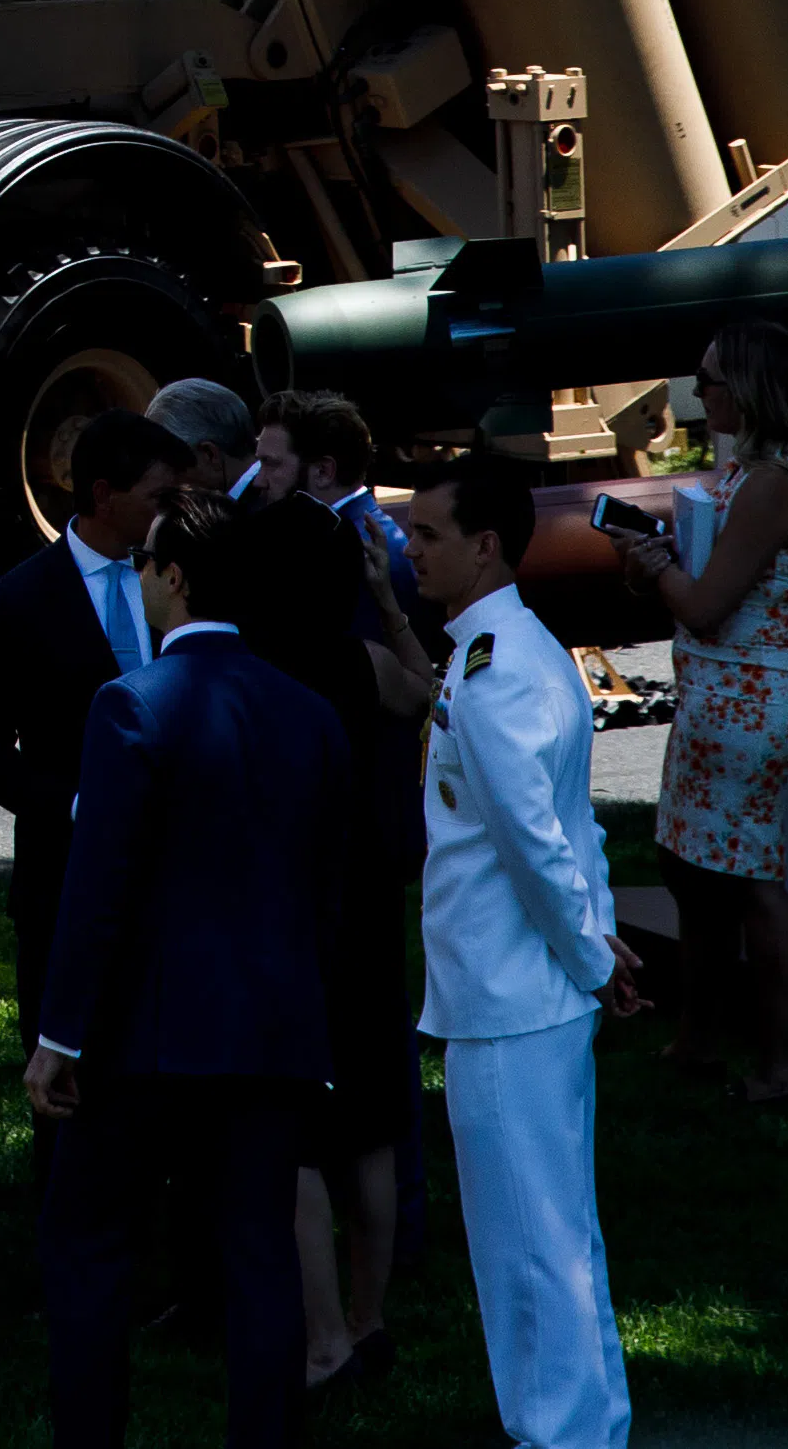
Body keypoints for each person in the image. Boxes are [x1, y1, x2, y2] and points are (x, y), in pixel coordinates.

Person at [26, 496, 339, 1449]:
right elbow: (326, 885)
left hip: (143, 1041)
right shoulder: (309, 714)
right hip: (268, 1033)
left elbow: (98, 888)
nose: (138, 576)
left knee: (92, 1254)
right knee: (258, 1257)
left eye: (147, 562)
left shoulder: (130, 704)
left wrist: (58, 1038)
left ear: (175, 578)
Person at [405, 459, 630, 1449]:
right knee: (553, 1234)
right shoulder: (508, 649)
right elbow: (576, 833)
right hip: (524, 986)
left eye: (428, 537)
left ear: (485, 545)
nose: (412, 552)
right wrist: (601, 942)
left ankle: (561, 1433)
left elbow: (534, 839)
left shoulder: (496, 666)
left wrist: (591, 955)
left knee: (530, 1246)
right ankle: (579, 1425)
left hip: (512, 994)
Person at [231, 402, 429, 1399]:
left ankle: (320, 1344)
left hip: (284, 916)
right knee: (372, 1128)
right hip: (363, 904)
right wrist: (386, 608)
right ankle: (370, 1315)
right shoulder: (362, 665)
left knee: (296, 1139)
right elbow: (426, 693)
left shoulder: (247, 676)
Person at [599, 322, 788, 1106]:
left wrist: (659, 564)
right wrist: (656, 562)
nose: (699, 394)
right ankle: (697, 1042)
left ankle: (778, 1068)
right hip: (720, 696)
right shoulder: (749, 473)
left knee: (749, 879)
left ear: (750, 388)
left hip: (747, 701)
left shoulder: (768, 484)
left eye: (710, 380)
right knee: (694, 872)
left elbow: (702, 605)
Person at [0, 412, 183, 1012]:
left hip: (176, 872)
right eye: (160, 497)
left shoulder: (180, 579)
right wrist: (79, 807)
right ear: (104, 496)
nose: (173, 512)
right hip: (64, 876)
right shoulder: (12, 602)